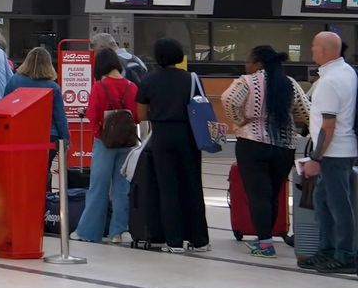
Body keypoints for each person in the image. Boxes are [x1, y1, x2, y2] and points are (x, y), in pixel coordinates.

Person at [221, 45, 310, 258]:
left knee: (258, 195)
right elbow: (306, 111)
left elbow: (228, 99)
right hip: (285, 147)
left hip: (253, 144)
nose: (246, 65)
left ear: (258, 63)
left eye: (248, 61)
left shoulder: (247, 81)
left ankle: (265, 244)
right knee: (273, 194)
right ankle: (266, 238)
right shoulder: (290, 83)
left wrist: (240, 120)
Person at [136, 38, 210, 254]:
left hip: (162, 136)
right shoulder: (191, 78)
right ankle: (199, 240)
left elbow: (141, 115)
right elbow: (201, 106)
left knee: (168, 189)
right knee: (193, 186)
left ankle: (174, 241)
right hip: (190, 135)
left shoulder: (149, 80)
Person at [300, 31, 357, 272]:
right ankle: (327, 250)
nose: (311, 50)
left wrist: (316, 158)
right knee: (323, 202)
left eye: (314, 46)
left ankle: (345, 255)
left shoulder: (329, 82)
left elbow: (328, 127)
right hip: (342, 150)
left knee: (338, 205)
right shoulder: (348, 72)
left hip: (333, 153)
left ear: (324, 50)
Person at [74, 47, 139, 244]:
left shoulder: (99, 87)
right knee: (122, 187)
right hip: (126, 142)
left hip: (104, 142)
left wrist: (100, 130)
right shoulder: (131, 87)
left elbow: (93, 115)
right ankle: (118, 231)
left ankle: (88, 232)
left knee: (98, 187)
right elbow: (136, 117)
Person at [3, 46, 69, 185]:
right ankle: (42, 196)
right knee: (42, 173)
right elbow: (60, 117)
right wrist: (66, 140)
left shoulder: (14, 81)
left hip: (19, 134)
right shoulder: (53, 87)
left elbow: (4, 107)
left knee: (20, 172)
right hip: (48, 135)